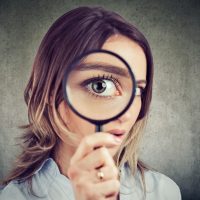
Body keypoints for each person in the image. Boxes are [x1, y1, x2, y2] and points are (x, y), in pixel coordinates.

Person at [0, 6, 181, 200]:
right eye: (100, 86)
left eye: (138, 90)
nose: (127, 114)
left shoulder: (163, 192)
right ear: (51, 92)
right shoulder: (14, 196)